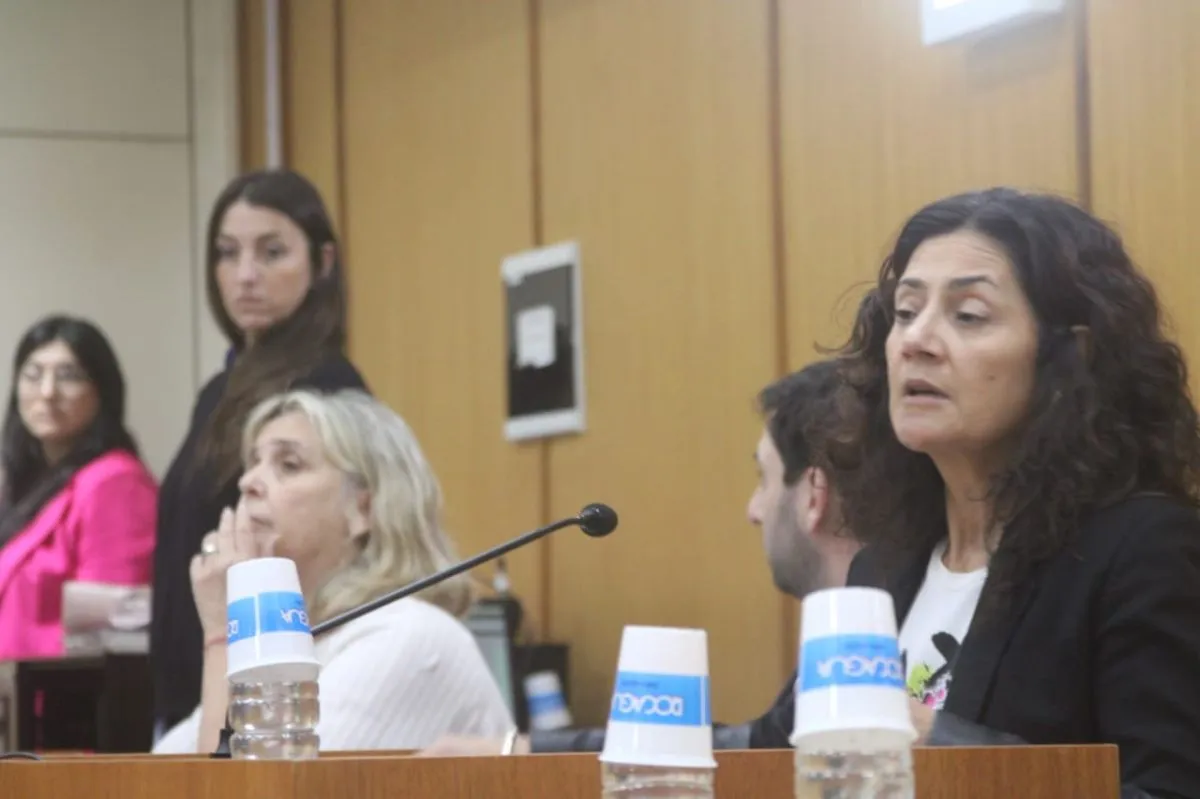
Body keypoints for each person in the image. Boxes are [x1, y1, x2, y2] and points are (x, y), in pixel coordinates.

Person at [827, 188, 1200, 798]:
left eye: (968, 315)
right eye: (905, 311)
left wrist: (942, 745)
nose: (916, 340)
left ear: (1069, 355)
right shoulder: (880, 567)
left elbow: (1170, 790)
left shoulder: (1142, 553)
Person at [419, 358, 860, 756]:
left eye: (763, 479)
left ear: (813, 497)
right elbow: (751, 748)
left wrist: (515, 750)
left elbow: (750, 757)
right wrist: (518, 750)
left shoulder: (868, 656)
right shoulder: (847, 644)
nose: (753, 510)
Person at [152, 389, 513, 754]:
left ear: (364, 509)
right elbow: (157, 768)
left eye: (289, 464)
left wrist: (222, 631)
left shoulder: (410, 634)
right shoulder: (292, 641)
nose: (248, 483)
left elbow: (247, 782)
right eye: (253, 463)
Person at [150, 169, 370, 735]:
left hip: (261, 683)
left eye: (272, 253)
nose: (245, 275)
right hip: (190, 676)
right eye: (228, 253)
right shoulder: (218, 390)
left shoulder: (326, 387)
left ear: (322, 262)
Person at [0, 315, 155, 660]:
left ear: (102, 390)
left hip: (65, 691)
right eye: (33, 374)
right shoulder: (26, 487)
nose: (47, 392)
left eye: (68, 376)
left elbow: (112, 639)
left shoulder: (116, 483)